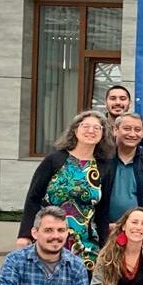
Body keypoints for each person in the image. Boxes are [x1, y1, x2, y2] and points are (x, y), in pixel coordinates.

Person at [19, 110, 116, 270]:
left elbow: (103, 209)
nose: (91, 131)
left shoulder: (105, 166)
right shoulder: (55, 159)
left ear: (103, 135)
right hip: (50, 237)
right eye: (86, 126)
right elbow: (33, 198)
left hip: (86, 243)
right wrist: (24, 235)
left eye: (97, 128)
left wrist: (104, 245)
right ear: (75, 130)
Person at [109, 112, 143, 224]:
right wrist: (104, 225)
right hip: (104, 231)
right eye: (127, 128)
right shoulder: (102, 160)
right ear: (115, 130)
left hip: (136, 232)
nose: (132, 134)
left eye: (137, 130)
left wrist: (136, 224)